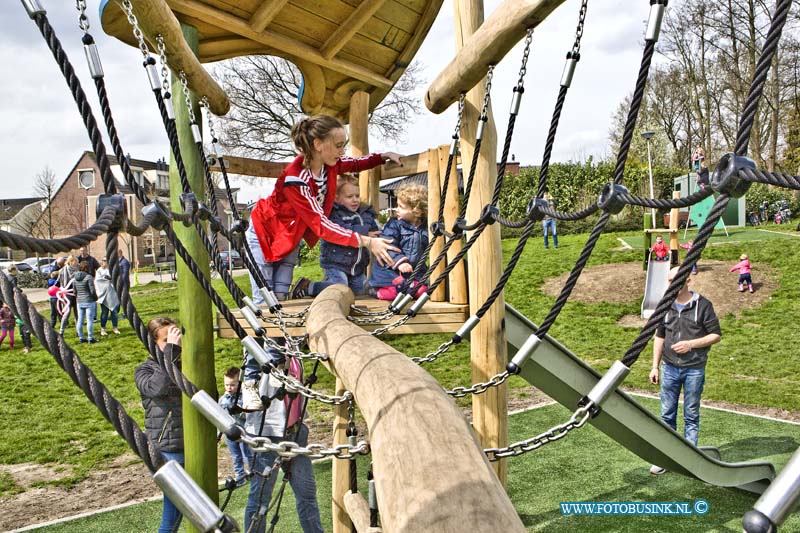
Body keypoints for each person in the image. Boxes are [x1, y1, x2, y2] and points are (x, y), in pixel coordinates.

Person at [242, 114, 402, 408]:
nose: (342, 150)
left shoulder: (329, 164)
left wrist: (381, 158)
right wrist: (366, 240)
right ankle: (249, 380)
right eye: (338, 144)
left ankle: (275, 367)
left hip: (287, 240)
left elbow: (353, 164)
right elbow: (321, 224)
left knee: (281, 304)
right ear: (317, 144)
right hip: (264, 236)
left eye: (344, 144)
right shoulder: (295, 178)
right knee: (264, 309)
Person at [648, 267, 721, 474]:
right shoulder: (665, 306)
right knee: (666, 414)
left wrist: (691, 344)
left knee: (691, 413)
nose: (669, 284)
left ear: (687, 280)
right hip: (669, 367)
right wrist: (655, 365)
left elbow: (715, 335)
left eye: (674, 280)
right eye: (668, 280)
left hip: (694, 369)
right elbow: (659, 336)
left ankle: (690, 460)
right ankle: (666, 458)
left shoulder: (703, 305)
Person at [244, 356, 323, 533]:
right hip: (267, 433)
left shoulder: (293, 349)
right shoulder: (263, 350)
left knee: (307, 494)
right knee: (260, 500)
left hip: (295, 432)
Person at [291, 174, 380, 298]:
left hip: (357, 268)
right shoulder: (333, 214)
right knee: (339, 287)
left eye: (357, 196)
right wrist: (365, 233)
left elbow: (375, 231)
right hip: (336, 264)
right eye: (349, 197)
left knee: (362, 291)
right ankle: (308, 286)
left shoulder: (365, 214)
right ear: (337, 198)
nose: (355, 200)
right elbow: (341, 229)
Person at [135, 317, 184, 533]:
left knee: (195, 509)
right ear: (154, 344)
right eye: (166, 340)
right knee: (174, 511)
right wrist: (171, 352)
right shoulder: (144, 371)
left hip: (191, 445)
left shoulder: (187, 364)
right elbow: (157, 388)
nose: (175, 343)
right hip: (167, 449)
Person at [368, 184, 429, 301]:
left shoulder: (426, 226)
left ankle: (408, 288)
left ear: (416, 210)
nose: (397, 209)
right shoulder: (394, 224)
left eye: (401, 206)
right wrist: (400, 262)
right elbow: (388, 245)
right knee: (396, 292)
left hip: (413, 271)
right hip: (391, 269)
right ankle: (376, 291)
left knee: (422, 292)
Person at [218, 367, 253, 485]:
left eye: (232, 385)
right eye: (226, 385)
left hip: (243, 432)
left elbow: (248, 415)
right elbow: (220, 418)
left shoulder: (244, 398)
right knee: (235, 456)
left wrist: (239, 410)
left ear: (239, 384)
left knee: (246, 454)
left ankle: (253, 472)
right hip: (229, 433)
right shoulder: (223, 400)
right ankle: (240, 476)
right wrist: (218, 435)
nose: (229, 388)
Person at [5, 266, 32, 353]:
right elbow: (14, 288)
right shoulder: (13, 278)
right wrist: (19, 291)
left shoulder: (6, 277)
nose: (17, 271)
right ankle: (27, 345)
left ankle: (27, 346)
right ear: (13, 271)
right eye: (16, 270)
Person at [73, 261, 98, 343]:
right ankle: (90, 338)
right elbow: (92, 291)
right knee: (89, 320)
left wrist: (78, 297)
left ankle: (81, 337)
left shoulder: (75, 278)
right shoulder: (89, 277)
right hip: (89, 301)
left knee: (80, 319)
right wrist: (95, 298)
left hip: (79, 301)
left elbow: (74, 291)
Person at [95, 258, 121, 335]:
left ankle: (115, 327)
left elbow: (118, 279)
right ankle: (103, 329)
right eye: (102, 260)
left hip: (113, 294)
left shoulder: (113, 269)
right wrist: (107, 280)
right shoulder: (99, 270)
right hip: (104, 295)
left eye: (105, 260)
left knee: (114, 312)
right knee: (104, 313)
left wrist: (112, 279)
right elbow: (98, 281)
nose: (103, 262)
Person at [57, 255, 79, 333]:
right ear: (70, 262)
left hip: (76, 294)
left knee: (77, 313)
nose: (77, 263)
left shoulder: (78, 271)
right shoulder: (62, 271)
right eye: (75, 261)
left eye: (77, 261)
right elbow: (58, 282)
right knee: (67, 313)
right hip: (67, 295)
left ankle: (78, 331)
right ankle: (61, 331)